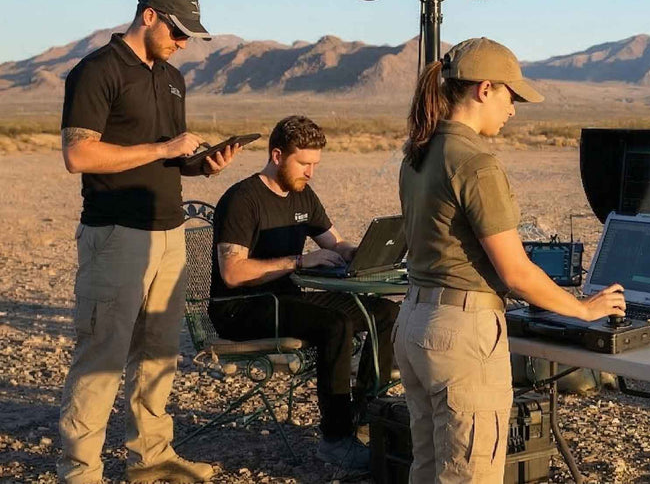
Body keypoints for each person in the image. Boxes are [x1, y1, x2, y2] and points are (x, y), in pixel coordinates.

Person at [394, 37, 627, 484]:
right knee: (468, 474)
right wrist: (584, 310)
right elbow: (515, 272)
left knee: (427, 467)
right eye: (510, 95)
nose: (513, 110)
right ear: (484, 89)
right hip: (461, 335)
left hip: (416, 323)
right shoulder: (475, 163)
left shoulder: (418, 153)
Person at [58, 0, 240, 484]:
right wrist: (164, 150)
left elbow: (169, 156)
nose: (182, 43)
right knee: (103, 355)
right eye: (178, 31)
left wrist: (202, 165)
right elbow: (78, 156)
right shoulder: (97, 71)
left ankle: (151, 458)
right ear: (150, 15)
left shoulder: (173, 78)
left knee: (159, 353)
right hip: (116, 234)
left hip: (169, 231)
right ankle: (79, 472)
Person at [208, 115, 399, 474]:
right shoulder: (242, 200)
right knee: (336, 325)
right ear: (277, 156)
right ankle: (335, 439)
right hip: (241, 308)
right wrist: (299, 260)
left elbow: (336, 243)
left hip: (285, 298)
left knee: (384, 312)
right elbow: (232, 273)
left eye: (315, 164)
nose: (311, 172)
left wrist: (366, 254)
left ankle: (368, 415)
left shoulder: (303, 194)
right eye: (304, 163)